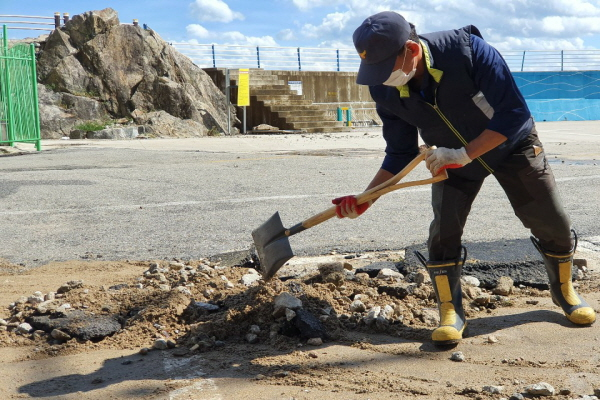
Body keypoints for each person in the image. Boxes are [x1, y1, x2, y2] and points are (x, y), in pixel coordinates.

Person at [332, 11, 596, 346]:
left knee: (550, 218)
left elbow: (514, 113)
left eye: (386, 68)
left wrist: (465, 154)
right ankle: (450, 310)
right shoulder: (385, 91)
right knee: (444, 230)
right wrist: (366, 199)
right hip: (450, 159)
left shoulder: (468, 51)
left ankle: (564, 292)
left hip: (510, 145)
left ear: (412, 51)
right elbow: (399, 152)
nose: (383, 79)